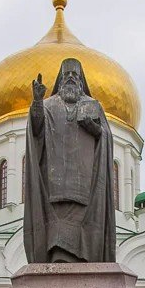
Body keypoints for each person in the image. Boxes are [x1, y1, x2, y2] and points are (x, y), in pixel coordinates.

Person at [23, 58, 117, 264]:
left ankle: (82, 266)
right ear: (60, 81)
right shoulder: (48, 106)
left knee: (86, 229)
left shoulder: (93, 106)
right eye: (67, 76)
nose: (71, 80)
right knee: (56, 234)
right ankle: (59, 266)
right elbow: (36, 131)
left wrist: (95, 129)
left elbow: (106, 137)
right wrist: (37, 102)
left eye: (75, 76)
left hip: (87, 185)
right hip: (53, 185)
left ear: (82, 82)